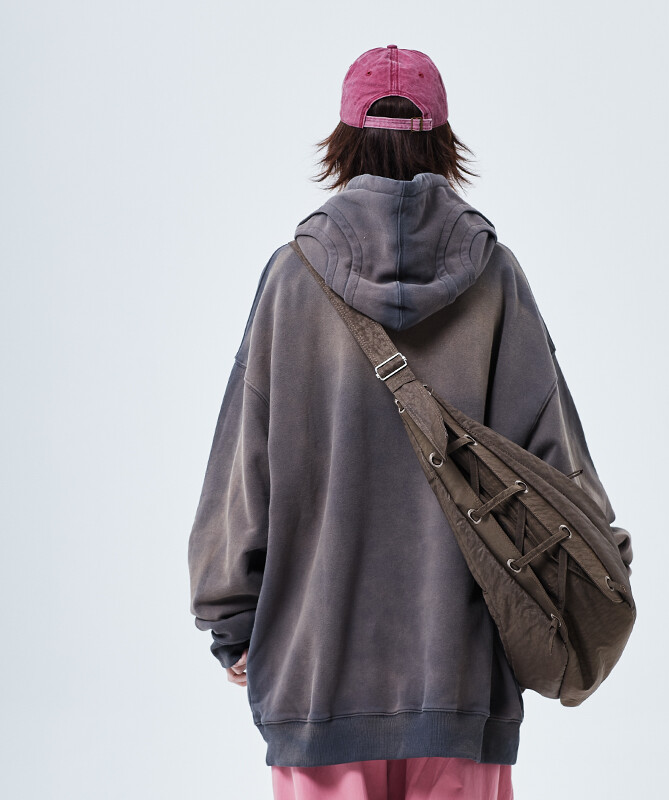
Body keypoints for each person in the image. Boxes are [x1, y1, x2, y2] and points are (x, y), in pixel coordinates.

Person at [187, 44, 633, 800]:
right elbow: (556, 473)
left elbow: (242, 472)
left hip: (317, 682)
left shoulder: (293, 280)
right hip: (460, 680)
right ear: (444, 141)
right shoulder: (495, 279)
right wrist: (604, 571)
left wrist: (231, 619)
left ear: (344, 141)